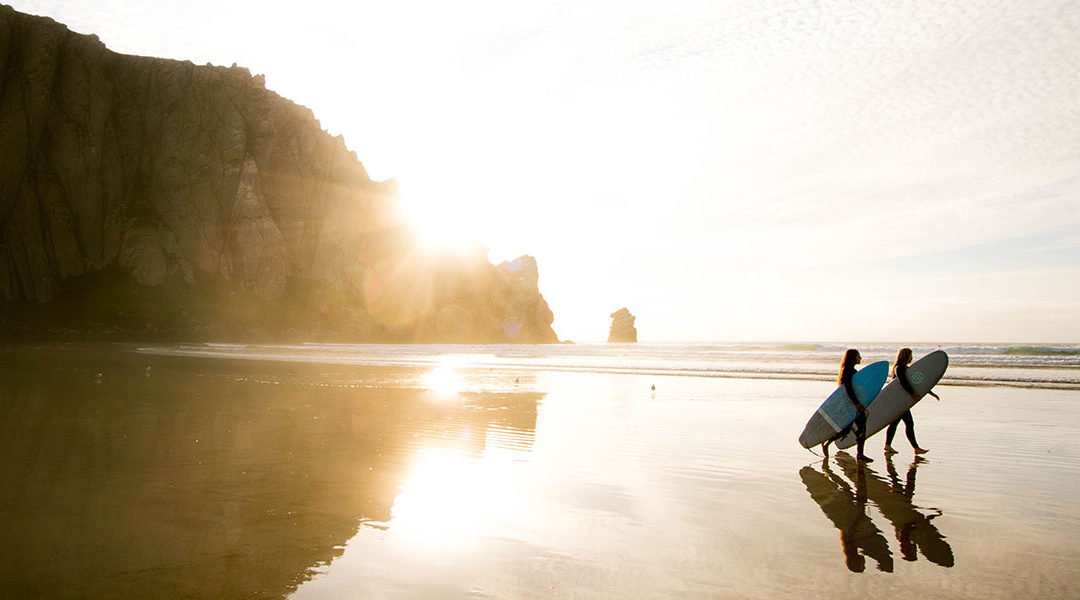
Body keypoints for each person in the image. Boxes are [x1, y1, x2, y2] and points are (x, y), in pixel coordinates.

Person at [883, 348, 940, 455]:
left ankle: (888, 445)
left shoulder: (906, 369)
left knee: (895, 423)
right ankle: (915, 448)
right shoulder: (899, 369)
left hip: (902, 401)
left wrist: (931, 393)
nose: (912, 358)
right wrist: (912, 394)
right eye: (910, 355)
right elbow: (903, 382)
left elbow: (918, 384)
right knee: (908, 423)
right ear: (906, 356)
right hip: (899, 401)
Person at [824, 349, 873, 462]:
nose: (860, 358)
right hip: (852, 404)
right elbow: (849, 389)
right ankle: (860, 455)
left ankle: (827, 442)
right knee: (861, 428)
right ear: (852, 358)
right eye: (858, 356)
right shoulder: (848, 371)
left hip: (851, 403)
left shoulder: (849, 370)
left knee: (847, 430)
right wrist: (857, 404)